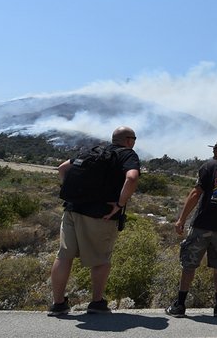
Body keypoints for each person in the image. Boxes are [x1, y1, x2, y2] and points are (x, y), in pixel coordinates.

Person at [48, 126, 141, 316]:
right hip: (100, 215)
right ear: (129, 140)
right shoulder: (127, 155)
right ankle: (97, 303)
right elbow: (131, 178)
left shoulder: (95, 151)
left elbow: (63, 168)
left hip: (72, 209)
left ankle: (58, 304)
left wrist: (74, 193)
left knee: (64, 256)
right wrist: (120, 203)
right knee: (101, 259)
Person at [166, 138, 217, 318]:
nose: (214, 151)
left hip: (201, 224)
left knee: (189, 263)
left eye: (216, 148)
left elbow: (196, 193)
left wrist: (181, 219)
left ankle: (180, 305)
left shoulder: (209, 167)